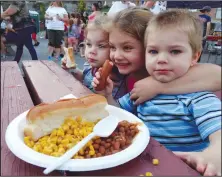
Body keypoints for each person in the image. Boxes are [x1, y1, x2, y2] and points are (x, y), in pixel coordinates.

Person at [92, 9, 221, 176]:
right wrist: (107, 95)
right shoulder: (140, 91)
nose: (161, 59)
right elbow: (120, 114)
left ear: (194, 56)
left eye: (175, 51)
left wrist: (214, 154)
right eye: (153, 51)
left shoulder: (198, 98)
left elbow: (218, 131)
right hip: (146, 166)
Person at [64, 15, 127, 99]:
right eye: (89, 44)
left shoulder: (115, 78)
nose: (92, 51)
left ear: (113, 48)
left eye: (101, 46)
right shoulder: (90, 67)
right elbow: (84, 78)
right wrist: (72, 69)